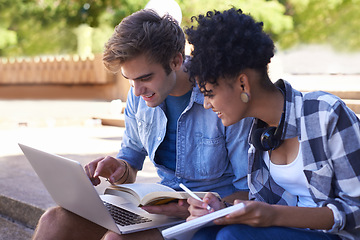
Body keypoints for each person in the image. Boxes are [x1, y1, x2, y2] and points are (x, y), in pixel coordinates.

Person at [31, 9, 252, 240]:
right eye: (130, 80)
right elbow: (131, 161)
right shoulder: (139, 95)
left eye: (145, 78)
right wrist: (118, 167)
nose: (136, 91)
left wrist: (199, 206)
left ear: (176, 61)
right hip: (158, 208)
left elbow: (249, 192)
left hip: (204, 215)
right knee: (53, 220)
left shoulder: (221, 97)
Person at [185, 8, 360, 240]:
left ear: (242, 84)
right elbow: (263, 207)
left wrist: (274, 216)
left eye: (209, 93)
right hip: (290, 233)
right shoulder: (256, 136)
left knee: (231, 237)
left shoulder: (325, 113)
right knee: (204, 235)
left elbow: (356, 212)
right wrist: (223, 209)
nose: (206, 104)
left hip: (337, 236)